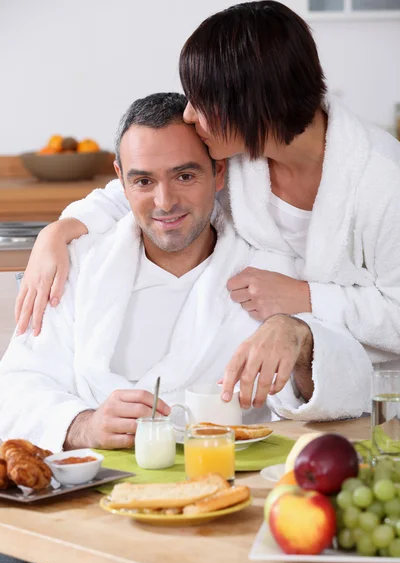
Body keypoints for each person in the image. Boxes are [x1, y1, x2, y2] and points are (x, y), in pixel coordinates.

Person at [15, 1, 400, 405]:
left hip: (369, 393)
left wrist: (306, 298)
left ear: (252, 103)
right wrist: (57, 233)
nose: (188, 113)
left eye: (201, 100)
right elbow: (142, 190)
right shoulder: (240, 155)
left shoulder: (381, 183)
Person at [0, 92, 371, 453]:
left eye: (184, 177)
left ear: (219, 172)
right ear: (122, 181)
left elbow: (349, 390)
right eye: (143, 181)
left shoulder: (272, 270)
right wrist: (85, 425)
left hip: (231, 485)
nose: (165, 203)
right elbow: (15, 387)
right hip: (93, 490)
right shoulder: (77, 266)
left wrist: (301, 338)